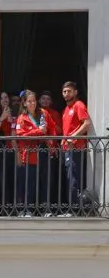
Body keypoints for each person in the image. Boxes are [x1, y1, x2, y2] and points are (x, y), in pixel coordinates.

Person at [13, 90, 48, 217]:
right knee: (28, 184)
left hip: (41, 153)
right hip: (27, 155)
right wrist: (38, 131)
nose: (32, 103)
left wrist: (40, 133)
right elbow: (21, 136)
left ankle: (42, 209)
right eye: (29, 101)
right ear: (25, 103)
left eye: (34, 101)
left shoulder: (41, 115)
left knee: (42, 182)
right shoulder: (22, 118)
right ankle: (27, 209)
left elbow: (46, 131)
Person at [60, 81, 91, 215]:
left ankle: (74, 209)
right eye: (64, 92)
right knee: (68, 178)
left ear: (75, 92)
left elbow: (86, 123)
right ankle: (70, 208)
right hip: (66, 149)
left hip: (76, 148)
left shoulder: (79, 105)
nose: (66, 94)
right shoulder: (66, 109)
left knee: (73, 179)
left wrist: (73, 136)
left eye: (69, 91)